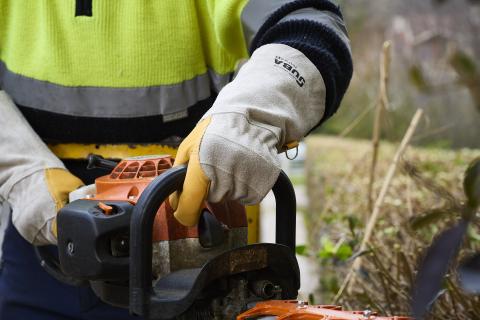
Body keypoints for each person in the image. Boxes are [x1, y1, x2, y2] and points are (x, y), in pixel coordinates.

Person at [0, 0, 352, 319]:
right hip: (43, 232)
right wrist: (19, 168)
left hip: (192, 217)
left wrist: (253, 111)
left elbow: (310, 24)